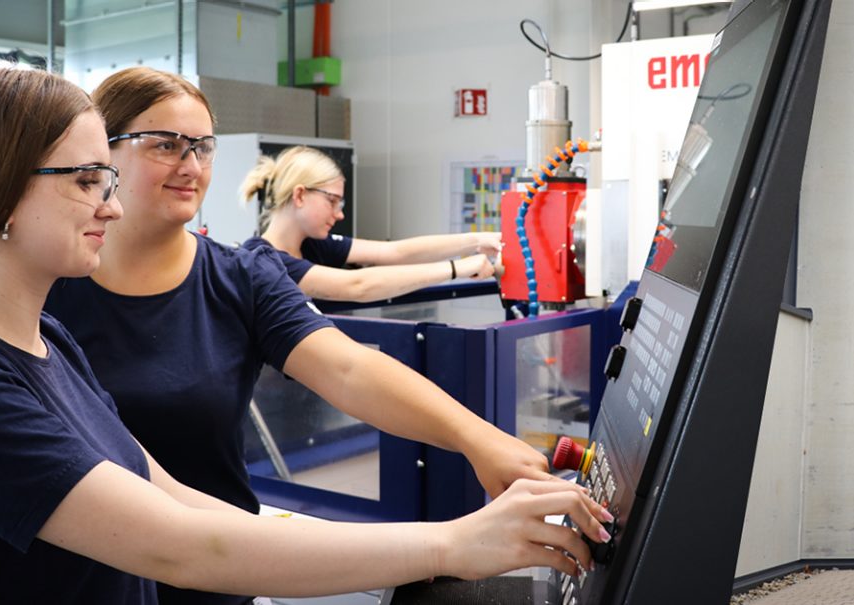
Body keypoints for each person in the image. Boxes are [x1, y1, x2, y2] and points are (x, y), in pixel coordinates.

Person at [0, 67, 608, 603]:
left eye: (203, 147)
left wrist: (422, 532)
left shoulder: (47, 338)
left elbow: (187, 503)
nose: (110, 207)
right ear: (1, 190)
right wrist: (449, 542)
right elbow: (177, 546)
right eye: (89, 179)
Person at [41, 66, 556, 605]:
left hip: (220, 577)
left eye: (203, 147)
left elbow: (349, 368)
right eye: (166, 145)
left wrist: (481, 439)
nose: (190, 166)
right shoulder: (46, 283)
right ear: (104, 153)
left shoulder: (240, 278)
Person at [237, 145, 500, 302]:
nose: (339, 214)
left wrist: (477, 240)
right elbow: (358, 286)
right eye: (332, 201)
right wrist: (457, 268)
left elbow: (395, 252)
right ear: (300, 195)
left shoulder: (312, 245)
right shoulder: (262, 259)